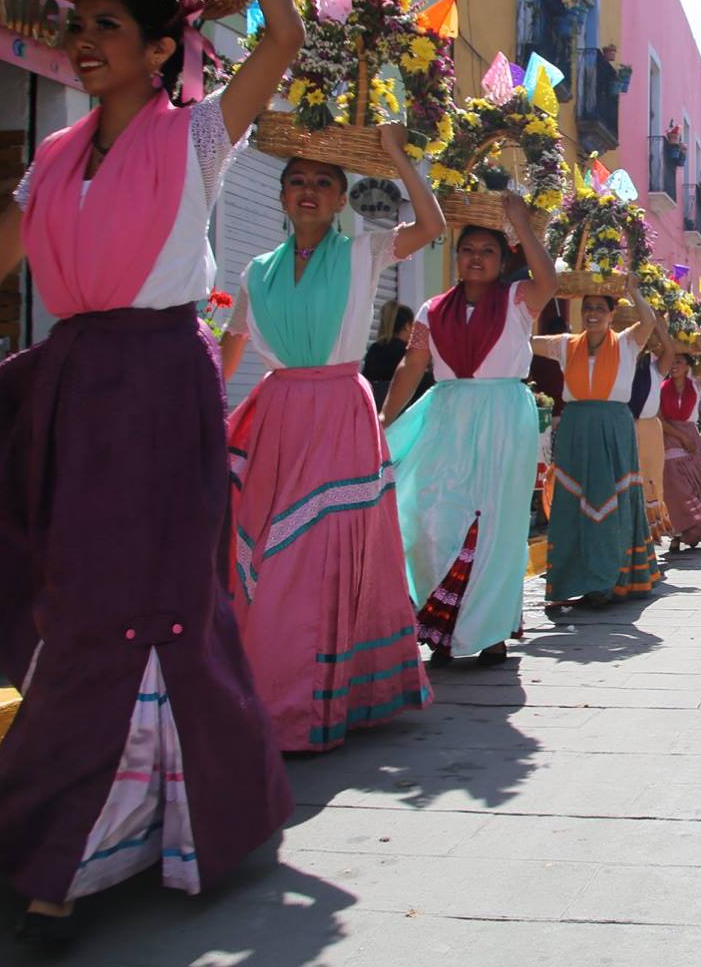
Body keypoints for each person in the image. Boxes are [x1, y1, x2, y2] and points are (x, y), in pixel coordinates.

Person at [0, 0, 297, 940]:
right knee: (86, 610)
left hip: (161, 399)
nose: (83, 42)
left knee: (140, 607)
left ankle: (67, 855)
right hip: (73, 395)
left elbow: (286, 34)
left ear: (162, 49)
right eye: (78, 26)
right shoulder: (58, 156)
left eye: (106, 27)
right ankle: (146, 818)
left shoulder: (200, 137)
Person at [217, 128, 443, 751]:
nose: (308, 191)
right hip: (279, 412)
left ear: (342, 196)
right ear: (282, 195)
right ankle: (276, 691)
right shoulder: (256, 272)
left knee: (316, 553)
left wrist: (398, 155)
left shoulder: (365, 251)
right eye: (297, 181)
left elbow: (430, 224)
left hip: (340, 408)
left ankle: (301, 703)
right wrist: (207, 394)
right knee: (270, 551)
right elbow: (232, 340)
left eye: (323, 182)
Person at [382, 194, 558, 665]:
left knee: (495, 523)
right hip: (447, 414)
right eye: (468, 250)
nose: (476, 258)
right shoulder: (431, 309)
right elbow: (412, 363)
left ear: (503, 261)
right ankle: (442, 625)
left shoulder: (518, 300)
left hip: (503, 414)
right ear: (456, 256)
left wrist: (521, 221)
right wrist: (385, 420)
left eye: (487, 251)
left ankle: (491, 629)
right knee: (434, 517)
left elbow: (549, 279)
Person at [533, 286, 662, 607]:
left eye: (600, 308)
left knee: (611, 500)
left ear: (611, 314)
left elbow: (650, 319)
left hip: (613, 429)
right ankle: (573, 579)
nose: (592, 313)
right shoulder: (565, 345)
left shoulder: (629, 343)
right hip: (576, 429)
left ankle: (609, 580)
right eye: (587, 307)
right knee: (572, 501)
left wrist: (633, 288)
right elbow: (525, 340)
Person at [658, 350, 701, 553]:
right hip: (670, 439)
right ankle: (676, 535)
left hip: (691, 444)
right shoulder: (661, 388)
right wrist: (681, 437)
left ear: (688, 365)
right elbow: (659, 419)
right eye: (671, 360)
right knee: (674, 489)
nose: (673, 365)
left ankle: (690, 530)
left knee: (692, 488)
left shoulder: (696, 386)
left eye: (678, 361)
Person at [628, 328, 674, 565]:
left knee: (651, 487)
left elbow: (670, 350)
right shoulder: (619, 363)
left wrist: (655, 323)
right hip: (625, 430)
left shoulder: (655, 368)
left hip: (649, 435)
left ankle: (647, 546)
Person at [360, 301, 414, 409]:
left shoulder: (374, 350)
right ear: (407, 326)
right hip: (402, 416)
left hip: (375, 413)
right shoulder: (408, 352)